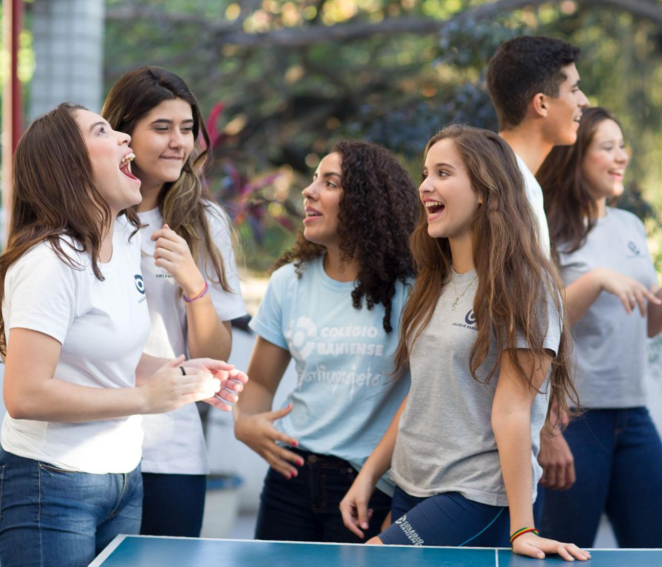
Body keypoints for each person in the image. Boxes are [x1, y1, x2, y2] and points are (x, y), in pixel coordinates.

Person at [0, 103, 244, 567]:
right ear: (71, 166)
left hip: (123, 478)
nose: (124, 139)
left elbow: (112, 358)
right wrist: (145, 401)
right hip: (49, 481)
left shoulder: (125, 240)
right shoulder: (48, 263)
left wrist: (179, 372)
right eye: (104, 131)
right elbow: (25, 395)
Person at [339, 125, 589, 562]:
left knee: (368, 560)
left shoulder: (525, 287)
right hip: (412, 486)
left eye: (443, 172)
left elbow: (513, 411)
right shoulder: (434, 282)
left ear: (484, 191)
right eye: (424, 173)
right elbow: (424, 392)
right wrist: (370, 475)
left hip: (474, 494)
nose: (425, 186)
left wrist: (523, 527)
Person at [536, 107, 662, 548]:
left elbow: (651, 322)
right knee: (564, 553)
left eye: (623, 147)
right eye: (607, 147)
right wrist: (597, 279)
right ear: (577, 156)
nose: (621, 157)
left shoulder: (630, 225)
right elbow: (542, 322)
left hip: (634, 416)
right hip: (575, 421)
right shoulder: (546, 230)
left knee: (659, 553)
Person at [234, 141, 417, 543]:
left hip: (370, 488)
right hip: (290, 477)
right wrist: (245, 423)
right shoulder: (288, 281)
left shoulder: (412, 290)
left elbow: (425, 395)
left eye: (329, 183)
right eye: (314, 179)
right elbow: (261, 382)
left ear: (368, 204)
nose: (308, 191)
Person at [101, 67, 248, 537]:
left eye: (186, 129)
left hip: (170, 449)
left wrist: (194, 284)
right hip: (88, 444)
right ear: (123, 133)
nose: (178, 143)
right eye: (161, 128)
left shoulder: (205, 223)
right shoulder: (87, 217)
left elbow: (215, 357)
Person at [486, 34, 590, 497]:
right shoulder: (505, 190)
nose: (583, 101)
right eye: (574, 89)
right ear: (542, 103)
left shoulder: (516, 183)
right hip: (484, 462)